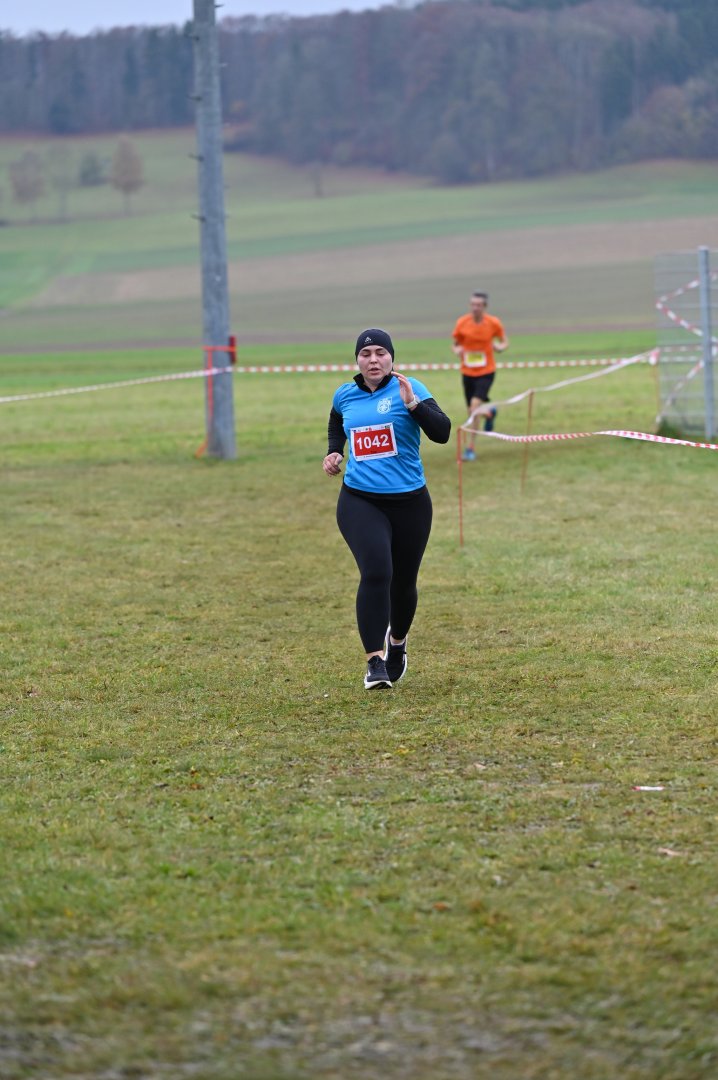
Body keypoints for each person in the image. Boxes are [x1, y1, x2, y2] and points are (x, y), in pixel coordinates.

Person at [323, 328, 451, 690]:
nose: (373, 360)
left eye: (381, 352)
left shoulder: (410, 387)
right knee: (377, 571)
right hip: (360, 499)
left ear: (391, 357)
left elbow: (442, 432)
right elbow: (336, 420)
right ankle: (374, 662)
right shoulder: (345, 394)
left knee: (403, 583)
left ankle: (397, 643)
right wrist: (335, 451)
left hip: (411, 502)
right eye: (366, 354)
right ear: (357, 360)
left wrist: (414, 406)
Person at [452, 290, 509, 461]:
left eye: (478, 305)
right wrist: (457, 350)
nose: (475, 308)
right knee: (471, 410)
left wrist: (500, 347)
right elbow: (455, 344)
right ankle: (489, 412)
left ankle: (470, 448)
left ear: (485, 306)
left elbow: (504, 341)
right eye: (473, 304)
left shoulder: (493, 323)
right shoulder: (462, 322)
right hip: (467, 372)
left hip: (486, 371)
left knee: (474, 407)